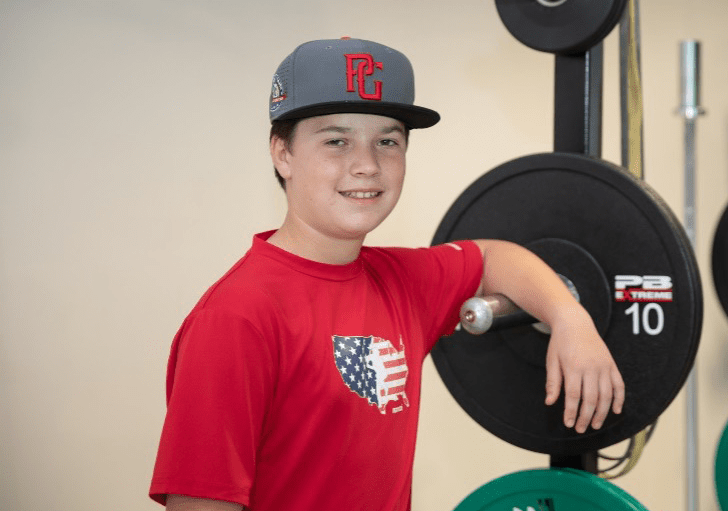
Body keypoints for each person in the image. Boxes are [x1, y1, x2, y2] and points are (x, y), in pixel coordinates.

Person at [149, 37, 624, 511]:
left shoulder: (400, 279)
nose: (366, 165)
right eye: (336, 141)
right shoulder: (236, 320)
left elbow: (493, 257)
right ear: (282, 154)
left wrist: (568, 317)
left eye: (387, 142)